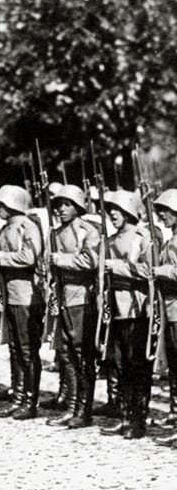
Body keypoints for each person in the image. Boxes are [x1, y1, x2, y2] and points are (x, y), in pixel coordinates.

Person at [46, 184, 100, 429]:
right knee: (66, 354)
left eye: (66, 204)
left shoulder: (87, 231)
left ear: (78, 207)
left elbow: (91, 261)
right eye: (58, 205)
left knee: (81, 354)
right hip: (63, 296)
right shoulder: (55, 233)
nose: (61, 209)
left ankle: (83, 409)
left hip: (81, 297)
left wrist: (63, 260)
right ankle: (71, 406)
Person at [100, 190, 151, 439]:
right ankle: (123, 416)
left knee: (136, 365)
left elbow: (147, 270)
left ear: (129, 212)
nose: (112, 214)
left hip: (135, 307)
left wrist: (118, 266)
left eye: (117, 210)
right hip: (116, 308)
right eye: (110, 210)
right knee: (119, 365)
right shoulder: (110, 239)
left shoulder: (140, 237)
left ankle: (138, 419)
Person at [0, 185, 44, 421]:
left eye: (2, 203)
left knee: (27, 350)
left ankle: (30, 402)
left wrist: (1, 257)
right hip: (10, 295)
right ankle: (18, 396)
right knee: (14, 349)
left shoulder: (28, 226)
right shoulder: (4, 228)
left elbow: (29, 257)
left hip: (25, 296)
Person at [150, 189, 177, 446]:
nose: (162, 216)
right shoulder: (170, 239)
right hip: (170, 309)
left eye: (167, 211)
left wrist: (160, 270)